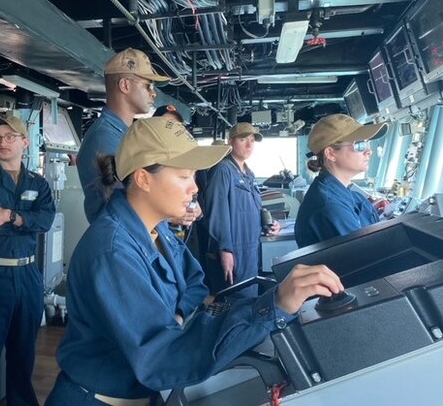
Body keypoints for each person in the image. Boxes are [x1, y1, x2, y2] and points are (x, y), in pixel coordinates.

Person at [44, 117, 344, 406]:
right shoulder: (113, 252)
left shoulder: (156, 230)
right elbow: (162, 359)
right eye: (184, 176)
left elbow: (195, 283)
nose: (195, 187)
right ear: (143, 178)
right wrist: (273, 306)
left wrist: (175, 316)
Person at [0, 115, 56, 406]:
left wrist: (10, 215)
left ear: (24, 142)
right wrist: (20, 219)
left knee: (23, 352)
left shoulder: (37, 183)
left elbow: (47, 220)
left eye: (9, 137)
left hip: (28, 273)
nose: (2, 143)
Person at [77, 47, 170, 223]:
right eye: (148, 85)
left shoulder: (122, 134)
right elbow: (130, 201)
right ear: (125, 85)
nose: (153, 93)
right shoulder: (104, 138)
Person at [202, 122, 280, 297]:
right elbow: (216, 212)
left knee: (251, 298)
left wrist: (270, 224)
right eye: (243, 139)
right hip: (235, 249)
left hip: (252, 247)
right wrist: (225, 250)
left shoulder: (248, 174)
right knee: (238, 302)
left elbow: (255, 207)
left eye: (252, 140)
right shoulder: (223, 170)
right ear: (231, 142)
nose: (249, 145)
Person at [294, 114, 388, 248]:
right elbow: (365, 254)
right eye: (360, 145)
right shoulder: (329, 205)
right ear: (331, 154)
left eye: (368, 143)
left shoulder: (343, 192)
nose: (369, 151)